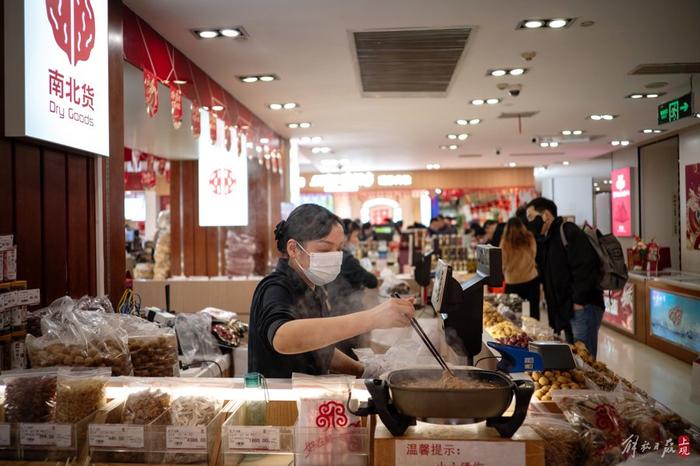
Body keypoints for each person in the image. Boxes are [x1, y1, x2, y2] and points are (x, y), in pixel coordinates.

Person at [248, 204, 415, 378]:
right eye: (324, 249)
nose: (335, 256)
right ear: (293, 249)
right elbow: (283, 338)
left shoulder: (313, 286)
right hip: (278, 401)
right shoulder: (275, 287)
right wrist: (372, 318)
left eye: (339, 249)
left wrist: (362, 370)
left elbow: (317, 346)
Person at [526, 197, 605, 358]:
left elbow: (587, 267)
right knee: (573, 359)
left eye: (531, 217)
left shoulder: (567, 231)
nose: (529, 223)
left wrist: (578, 302)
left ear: (546, 215)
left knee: (585, 360)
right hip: (566, 309)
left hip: (582, 307)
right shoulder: (547, 239)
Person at [327, 219, 379, 358]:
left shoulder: (340, 258)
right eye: (355, 236)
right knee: (352, 355)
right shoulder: (346, 259)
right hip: (346, 314)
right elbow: (372, 281)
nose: (357, 240)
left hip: (336, 313)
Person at [500, 217, 540, 319]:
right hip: (531, 279)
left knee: (512, 314)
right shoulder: (529, 237)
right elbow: (534, 254)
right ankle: (533, 334)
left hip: (512, 282)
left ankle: (515, 334)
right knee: (533, 312)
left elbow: (503, 262)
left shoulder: (505, 242)